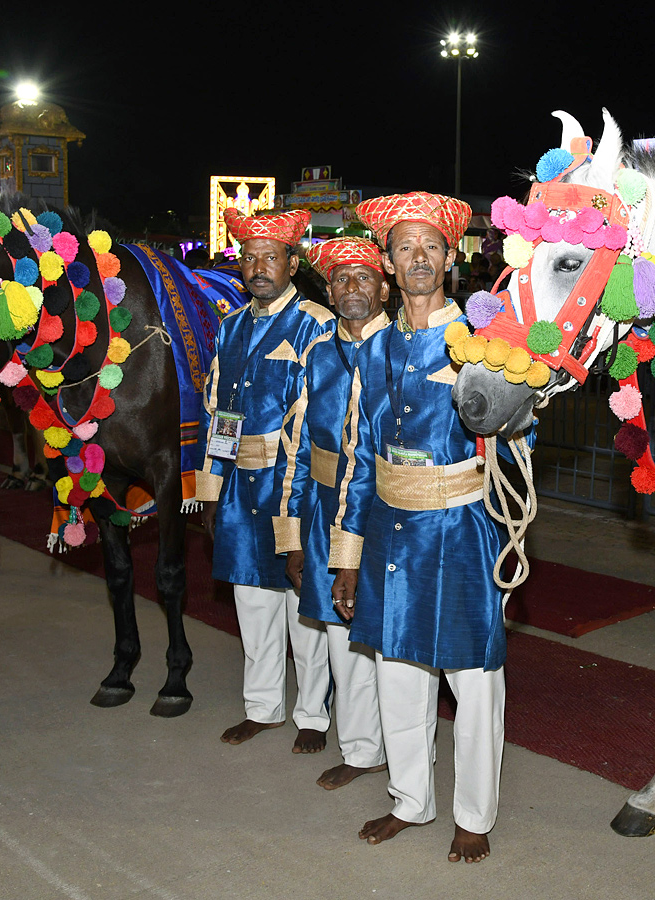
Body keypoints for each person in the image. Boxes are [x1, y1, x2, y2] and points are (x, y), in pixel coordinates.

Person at [330, 191, 507, 863]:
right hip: (389, 532)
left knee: (474, 679)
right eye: (406, 247)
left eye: (432, 246)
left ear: (451, 257)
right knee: (396, 671)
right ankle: (410, 799)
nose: (420, 258)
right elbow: (356, 456)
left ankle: (473, 814)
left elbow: (518, 431)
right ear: (388, 262)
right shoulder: (372, 350)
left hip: (463, 530)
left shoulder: (479, 342)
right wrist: (347, 555)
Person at [197, 207, 335, 752]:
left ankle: (312, 717)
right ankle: (262, 707)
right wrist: (210, 491)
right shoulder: (229, 327)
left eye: (270, 258)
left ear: (292, 264)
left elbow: (316, 421)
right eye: (249, 257)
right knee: (252, 605)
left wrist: (301, 501)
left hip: (292, 487)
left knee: (304, 611)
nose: (258, 267)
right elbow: (217, 414)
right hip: (237, 489)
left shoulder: (316, 323)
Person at [275, 236, 391, 789]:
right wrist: (292, 534)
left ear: (384, 287)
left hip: (385, 513)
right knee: (340, 633)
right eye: (341, 278)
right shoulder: (318, 352)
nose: (351, 288)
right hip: (323, 511)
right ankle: (361, 745)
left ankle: (379, 748)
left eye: (363, 277)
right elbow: (296, 448)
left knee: (378, 637)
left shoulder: (401, 348)